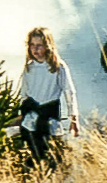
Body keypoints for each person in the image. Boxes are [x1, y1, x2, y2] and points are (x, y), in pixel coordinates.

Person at [16, 26, 79, 165]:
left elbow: (69, 91)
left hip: (50, 119)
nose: (35, 49)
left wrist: (74, 118)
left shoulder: (58, 67)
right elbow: (24, 94)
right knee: (33, 158)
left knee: (53, 158)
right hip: (31, 120)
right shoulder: (29, 68)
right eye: (32, 45)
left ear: (47, 46)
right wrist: (20, 115)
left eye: (39, 45)